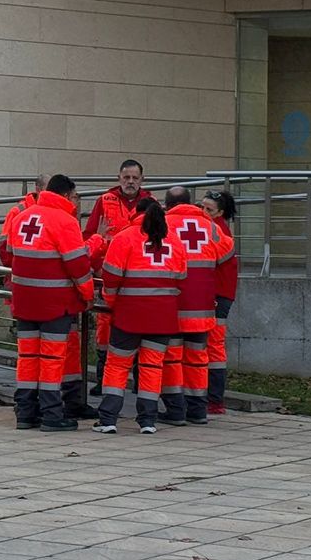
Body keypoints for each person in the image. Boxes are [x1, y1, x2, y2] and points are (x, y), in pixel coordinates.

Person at [0, 174, 97, 421]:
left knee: (28, 358)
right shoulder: (65, 221)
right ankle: (52, 414)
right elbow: (78, 265)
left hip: (24, 301)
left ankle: (25, 412)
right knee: (52, 359)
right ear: (65, 195)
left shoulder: (21, 217)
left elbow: (9, 255)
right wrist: (88, 294)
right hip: (55, 303)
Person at [94, 198, 184, 435]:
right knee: (152, 367)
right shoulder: (173, 239)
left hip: (129, 314)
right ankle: (148, 421)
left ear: (136, 213)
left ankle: (108, 419)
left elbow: (111, 275)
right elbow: (181, 275)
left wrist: (112, 301)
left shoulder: (125, 237)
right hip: (163, 316)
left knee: (117, 365)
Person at [160, 185, 232, 426]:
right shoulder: (210, 226)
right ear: (190, 202)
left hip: (173, 306)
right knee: (198, 360)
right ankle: (198, 410)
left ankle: (175, 410)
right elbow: (227, 251)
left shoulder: (163, 224)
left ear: (168, 205)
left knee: (172, 359)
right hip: (201, 308)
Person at [84, 160, 153, 392]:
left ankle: (139, 379)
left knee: (141, 326)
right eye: (126, 177)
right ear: (119, 178)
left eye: (135, 177)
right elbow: (91, 234)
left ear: (142, 179)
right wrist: (95, 267)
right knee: (105, 329)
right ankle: (103, 379)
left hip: (138, 275)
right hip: (108, 274)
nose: (130, 182)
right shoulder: (104, 201)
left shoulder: (151, 204)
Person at [199, 188, 239, 415]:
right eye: (201, 207)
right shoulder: (215, 229)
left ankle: (214, 399)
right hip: (218, 295)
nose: (203, 212)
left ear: (220, 212)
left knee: (213, 347)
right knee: (212, 347)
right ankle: (212, 398)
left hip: (218, 296)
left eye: (208, 209)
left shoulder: (218, 232)